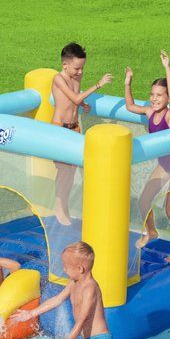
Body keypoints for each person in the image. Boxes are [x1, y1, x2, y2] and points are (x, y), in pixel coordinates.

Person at [124, 49, 170, 262]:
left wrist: (167, 67)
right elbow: (129, 106)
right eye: (152, 94)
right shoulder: (149, 112)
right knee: (143, 201)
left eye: (159, 95)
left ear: (166, 98)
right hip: (164, 165)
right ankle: (151, 232)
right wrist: (128, 83)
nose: (154, 98)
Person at [51, 42, 113, 225]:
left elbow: (75, 99)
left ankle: (64, 207)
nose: (80, 72)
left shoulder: (76, 76)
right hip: (60, 128)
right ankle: (59, 208)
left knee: (71, 171)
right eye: (77, 68)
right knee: (64, 171)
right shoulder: (58, 79)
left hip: (75, 127)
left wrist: (83, 104)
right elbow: (75, 97)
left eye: (82, 68)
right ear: (65, 65)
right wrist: (98, 85)